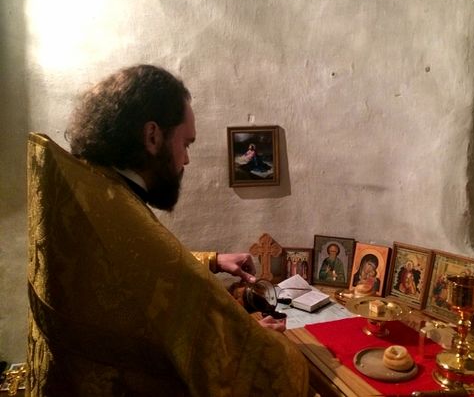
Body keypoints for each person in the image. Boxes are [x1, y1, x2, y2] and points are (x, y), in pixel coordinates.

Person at [26, 65, 308, 396]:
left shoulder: (93, 193)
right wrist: (263, 345)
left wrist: (212, 261)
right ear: (152, 136)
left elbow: (129, 274)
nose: (186, 160)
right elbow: (267, 376)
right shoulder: (114, 207)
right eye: (186, 143)